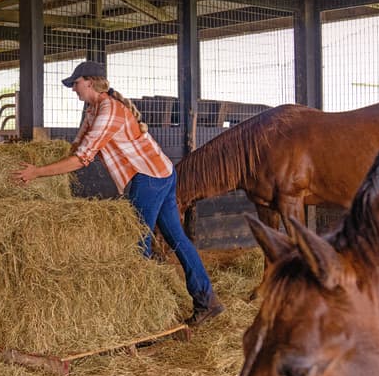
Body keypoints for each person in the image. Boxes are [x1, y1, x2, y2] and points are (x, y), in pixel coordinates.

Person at [12, 60, 224, 326]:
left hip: (148, 178)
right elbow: (78, 146)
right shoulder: (93, 109)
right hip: (161, 172)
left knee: (137, 243)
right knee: (175, 238)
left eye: (75, 84)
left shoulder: (109, 111)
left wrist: (37, 173)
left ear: (89, 82)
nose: (73, 89)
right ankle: (207, 301)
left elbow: (82, 159)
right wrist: (46, 162)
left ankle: (144, 318)